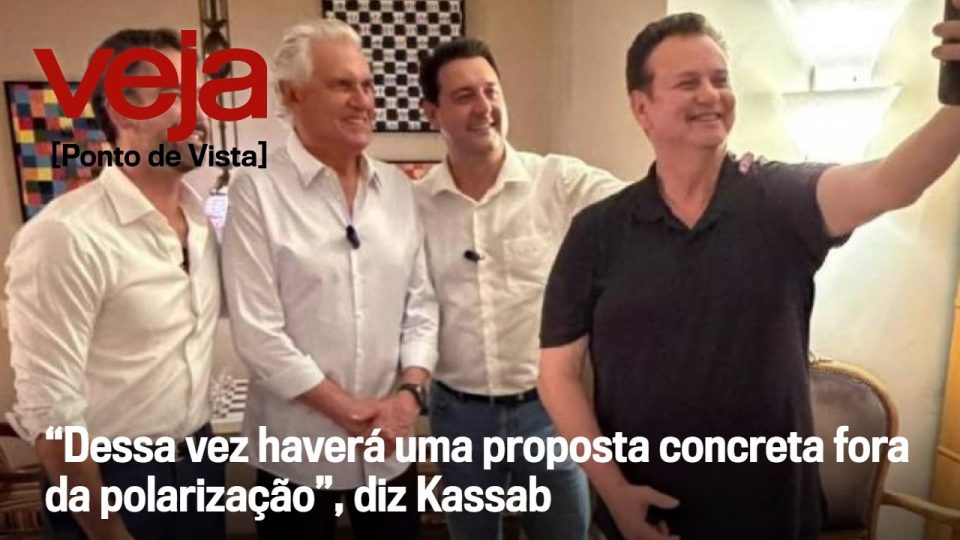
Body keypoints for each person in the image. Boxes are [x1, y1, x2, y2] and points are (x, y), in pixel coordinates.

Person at [538, 9, 960, 540]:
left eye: (720, 79)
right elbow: (556, 374)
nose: (710, 95)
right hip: (650, 516)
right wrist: (614, 491)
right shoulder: (598, 231)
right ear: (641, 107)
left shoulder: (782, 199)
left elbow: (891, 183)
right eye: (688, 82)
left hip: (773, 516)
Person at [221, 18, 437, 540]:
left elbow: (422, 307)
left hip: (389, 449)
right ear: (291, 94)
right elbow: (258, 334)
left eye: (367, 85)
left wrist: (408, 397)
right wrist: (350, 412)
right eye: (342, 85)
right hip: (295, 453)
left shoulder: (398, 189)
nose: (363, 101)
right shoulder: (256, 191)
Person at [5, 29, 223, 540]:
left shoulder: (203, 224)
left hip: (200, 461)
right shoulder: (65, 236)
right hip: (111, 482)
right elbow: (51, 415)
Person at [413, 37, 624, 540]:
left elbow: (642, 204)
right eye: (464, 96)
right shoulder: (415, 206)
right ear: (432, 112)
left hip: (547, 412)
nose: (484, 106)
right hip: (458, 415)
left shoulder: (557, 181)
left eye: (491, 91)